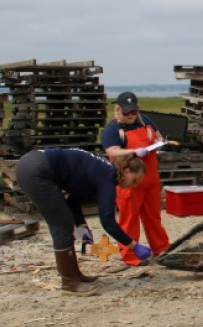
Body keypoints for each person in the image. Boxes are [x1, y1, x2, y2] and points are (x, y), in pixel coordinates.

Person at [16, 149, 152, 296]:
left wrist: (82, 229)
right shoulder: (107, 178)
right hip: (36, 171)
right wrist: (133, 245)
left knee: (66, 221)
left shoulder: (102, 171)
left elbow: (74, 201)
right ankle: (69, 282)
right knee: (62, 224)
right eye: (134, 181)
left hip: (32, 164)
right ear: (126, 171)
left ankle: (75, 275)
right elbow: (107, 221)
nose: (133, 186)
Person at [100, 91, 170, 267]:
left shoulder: (146, 120)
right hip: (128, 181)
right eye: (126, 112)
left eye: (133, 112)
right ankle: (131, 255)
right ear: (118, 110)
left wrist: (159, 144)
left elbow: (158, 136)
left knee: (154, 217)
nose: (131, 116)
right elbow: (112, 152)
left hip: (151, 178)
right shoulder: (112, 130)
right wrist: (133, 152)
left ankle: (161, 249)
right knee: (129, 219)